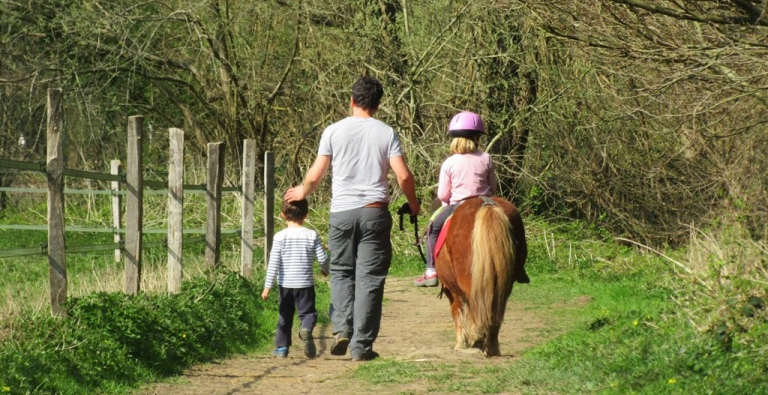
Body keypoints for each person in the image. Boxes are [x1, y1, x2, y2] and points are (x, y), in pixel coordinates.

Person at [284, 76, 420, 362]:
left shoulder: (333, 131)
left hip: (342, 214)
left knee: (342, 272)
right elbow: (404, 175)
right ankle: (362, 346)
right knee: (370, 278)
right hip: (374, 211)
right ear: (378, 104)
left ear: (352, 100)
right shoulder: (386, 133)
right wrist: (414, 204)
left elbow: (315, 175)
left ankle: (342, 329)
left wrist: (302, 191)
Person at [414, 111, 530, 287]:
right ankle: (518, 266)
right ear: (477, 138)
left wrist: (447, 202)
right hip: (486, 201)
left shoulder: (449, 162)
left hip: (458, 204)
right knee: (512, 229)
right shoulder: (486, 158)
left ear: (453, 138)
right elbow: (493, 187)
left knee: (433, 229)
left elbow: (443, 195)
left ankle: (430, 270)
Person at [262, 198, 329, 358]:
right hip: (305, 284)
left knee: (284, 315)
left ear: (283, 215)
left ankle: (281, 348)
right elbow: (322, 258)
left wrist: (267, 286)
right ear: (305, 215)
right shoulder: (311, 235)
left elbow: (274, 263)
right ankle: (305, 327)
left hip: (285, 284)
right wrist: (325, 270)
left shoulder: (279, 237)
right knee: (308, 313)